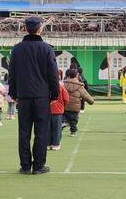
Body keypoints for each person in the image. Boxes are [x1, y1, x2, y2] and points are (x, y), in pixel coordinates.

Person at [8, 16, 60, 175]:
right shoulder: (47, 49)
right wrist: (55, 94)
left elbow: (12, 74)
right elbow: (53, 74)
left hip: (23, 96)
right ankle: (38, 166)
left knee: (24, 131)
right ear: (40, 29)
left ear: (25, 29)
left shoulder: (17, 49)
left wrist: (13, 93)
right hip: (41, 96)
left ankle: (25, 166)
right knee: (41, 131)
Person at [64, 68, 94, 137]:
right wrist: (91, 101)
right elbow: (86, 95)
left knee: (64, 116)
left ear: (68, 75)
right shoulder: (79, 86)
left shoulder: (64, 85)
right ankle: (73, 131)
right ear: (76, 75)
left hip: (65, 105)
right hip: (75, 107)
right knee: (74, 120)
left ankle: (64, 122)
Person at [49, 72, 70, 151]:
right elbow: (66, 98)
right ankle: (55, 144)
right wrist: (62, 106)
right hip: (58, 110)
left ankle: (48, 144)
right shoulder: (61, 87)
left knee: (48, 128)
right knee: (57, 129)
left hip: (47, 110)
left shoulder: (46, 86)